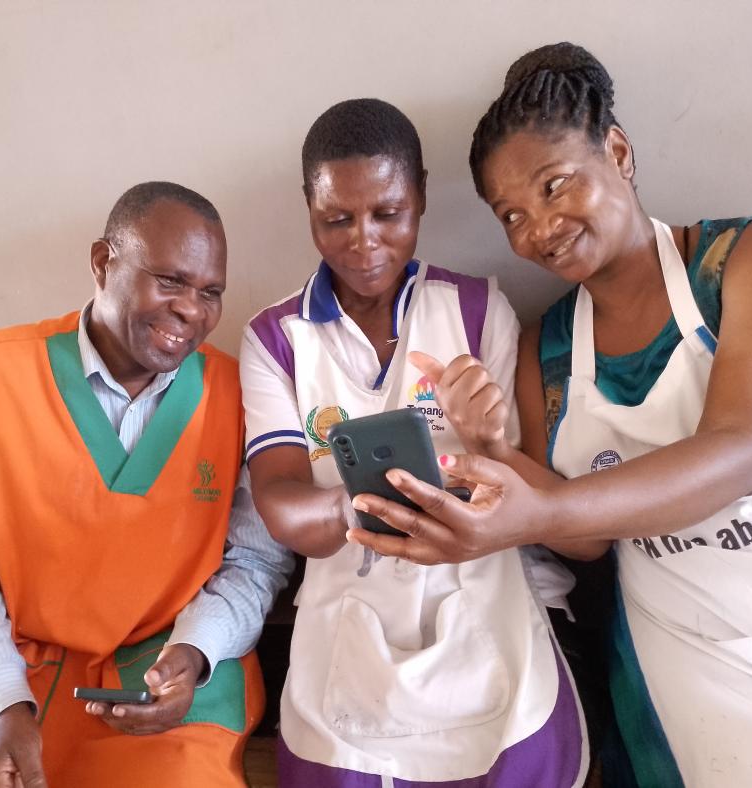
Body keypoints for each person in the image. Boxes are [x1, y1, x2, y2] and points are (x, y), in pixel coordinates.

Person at [347, 43, 752, 786]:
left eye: (554, 185)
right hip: (690, 650)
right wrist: (489, 446)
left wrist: (541, 511)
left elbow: (749, 449)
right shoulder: (545, 351)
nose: (538, 227)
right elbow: (585, 541)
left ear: (617, 150)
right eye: (511, 214)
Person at [0, 182, 293, 788]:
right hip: (3, 661)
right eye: (170, 281)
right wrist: (5, 702)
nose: (192, 310)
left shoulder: (242, 401)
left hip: (172, 671)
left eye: (211, 293)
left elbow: (256, 563)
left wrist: (194, 655)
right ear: (104, 263)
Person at [240, 98, 587, 786]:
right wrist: (360, 510)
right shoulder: (278, 338)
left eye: (387, 213)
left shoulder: (476, 308)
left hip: (481, 586)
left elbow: (531, 499)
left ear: (421, 196)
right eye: (336, 218)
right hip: (349, 598)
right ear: (308, 207)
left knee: (515, 751)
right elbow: (281, 506)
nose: (363, 240)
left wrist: (487, 438)